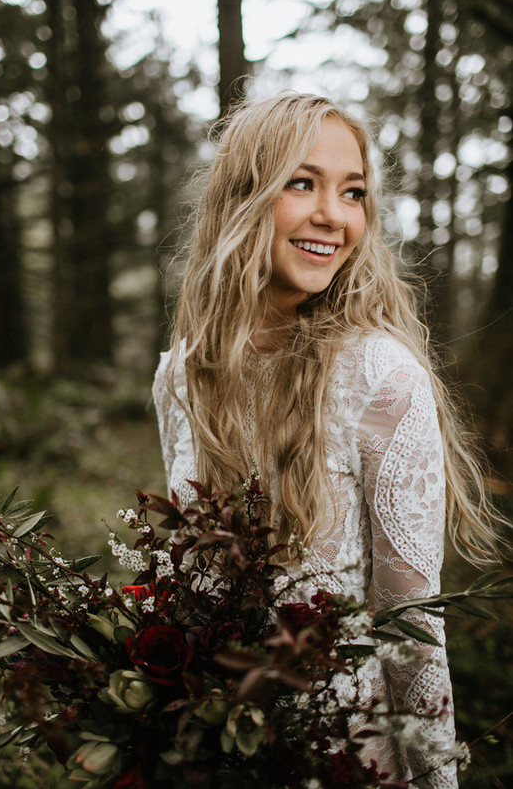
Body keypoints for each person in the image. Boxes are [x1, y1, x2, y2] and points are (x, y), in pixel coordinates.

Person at [152, 93, 502, 787]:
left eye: (354, 192)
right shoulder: (182, 374)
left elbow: (411, 628)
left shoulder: (379, 375)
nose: (333, 216)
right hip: (212, 749)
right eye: (302, 182)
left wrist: (434, 778)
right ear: (243, 197)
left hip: (339, 751)